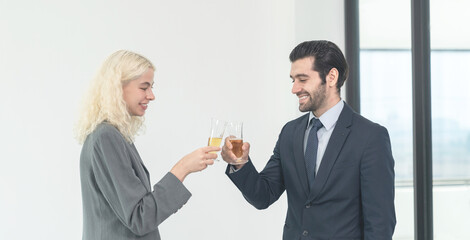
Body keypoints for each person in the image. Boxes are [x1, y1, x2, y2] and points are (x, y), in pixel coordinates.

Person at [221, 40, 396, 239]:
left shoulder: (370, 137)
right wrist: (240, 163)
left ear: (331, 77)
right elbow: (263, 195)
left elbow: (380, 224)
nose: (294, 89)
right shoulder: (290, 132)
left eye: (302, 79)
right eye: (293, 80)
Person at [75, 50, 219, 240]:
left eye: (151, 87)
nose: (151, 96)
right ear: (118, 88)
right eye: (144, 87)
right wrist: (182, 168)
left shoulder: (114, 135)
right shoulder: (106, 137)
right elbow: (139, 218)